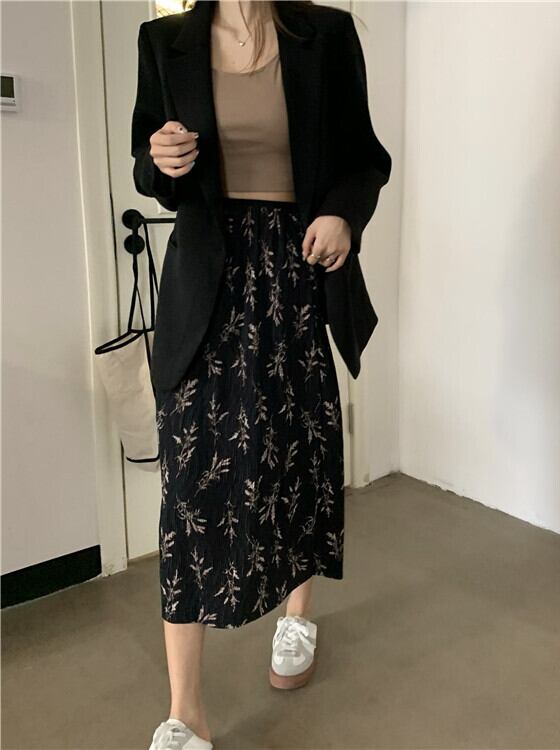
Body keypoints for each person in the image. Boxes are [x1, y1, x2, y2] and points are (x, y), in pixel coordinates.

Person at [130, 2, 391, 748]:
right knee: (189, 486)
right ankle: (185, 711)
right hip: (207, 281)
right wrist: (160, 162)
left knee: (297, 450)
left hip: (297, 270)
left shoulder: (326, 33)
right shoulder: (164, 40)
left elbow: (363, 161)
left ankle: (297, 617)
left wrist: (344, 216)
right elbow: (148, 169)